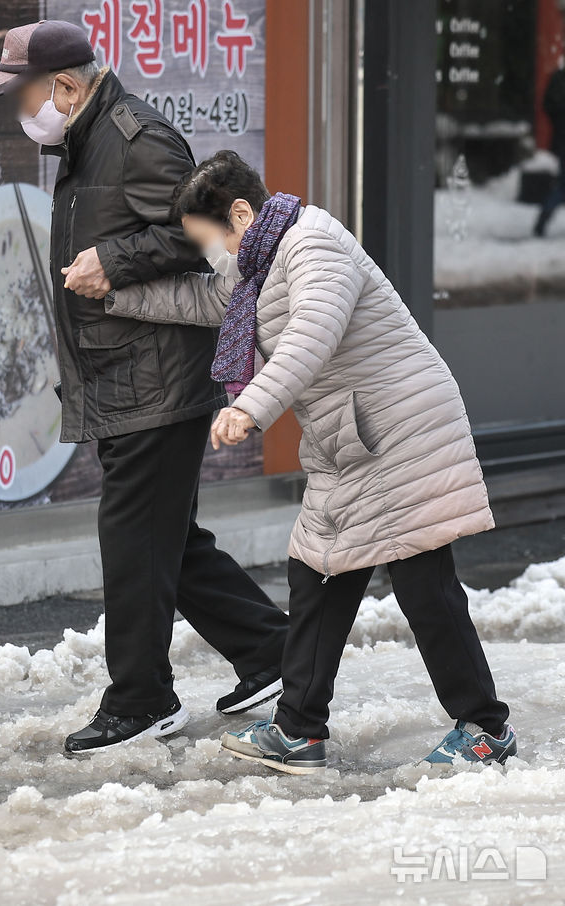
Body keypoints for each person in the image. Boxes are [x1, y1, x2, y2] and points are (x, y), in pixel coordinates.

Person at [106, 150, 517, 773]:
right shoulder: (257, 270)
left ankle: (486, 728)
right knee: (319, 573)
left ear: (239, 214)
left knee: (423, 582)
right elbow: (199, 302)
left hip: (402, 428)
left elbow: (313, 332)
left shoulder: (312, 242)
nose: (210, 254)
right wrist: (111, 295)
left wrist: (252, 407)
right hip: (348, 440)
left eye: (208, 239)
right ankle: (299, 729)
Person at [0, 23, 289, 753]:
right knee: (165, 541)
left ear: (68, 87)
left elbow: (201, 235)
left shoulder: (138, 137)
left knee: (134, 541)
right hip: (119, 374)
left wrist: (113, 259)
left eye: (23, 94)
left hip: (155, 376)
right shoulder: (84, 140)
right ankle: (273, 652)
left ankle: (141, 700)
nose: (20, 110)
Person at [534, 63, 565, 237]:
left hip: (561, 139)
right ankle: (542, 219)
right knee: (562, 187)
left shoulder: (559, 78)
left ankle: (543, 218)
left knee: (562, 186)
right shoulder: (559, 78)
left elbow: (548, 106)